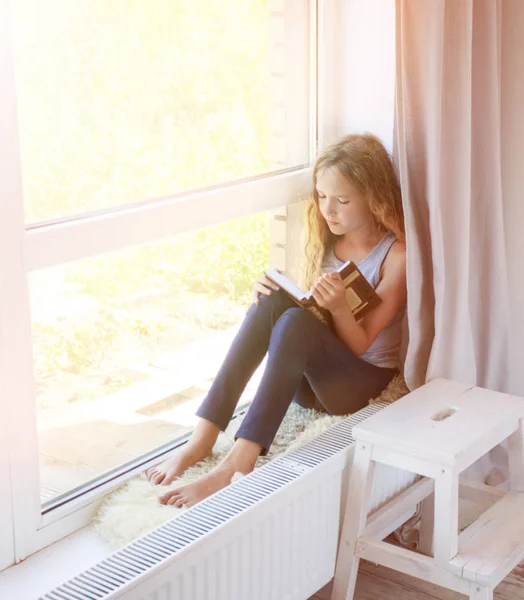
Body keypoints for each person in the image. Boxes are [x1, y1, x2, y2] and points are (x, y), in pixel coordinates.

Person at [146, 133, 407, 508]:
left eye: (342, 200)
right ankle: (201, 440)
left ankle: (239, 462)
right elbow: (306, 321)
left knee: (296, 325)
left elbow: (361, 343)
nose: (327, 210)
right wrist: (275, 294)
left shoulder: (396, 254)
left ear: (373, 196)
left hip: (359, 384)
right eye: (321, 196)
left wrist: (337, 309)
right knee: (273, 302)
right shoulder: (328, 240)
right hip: (313, 383)